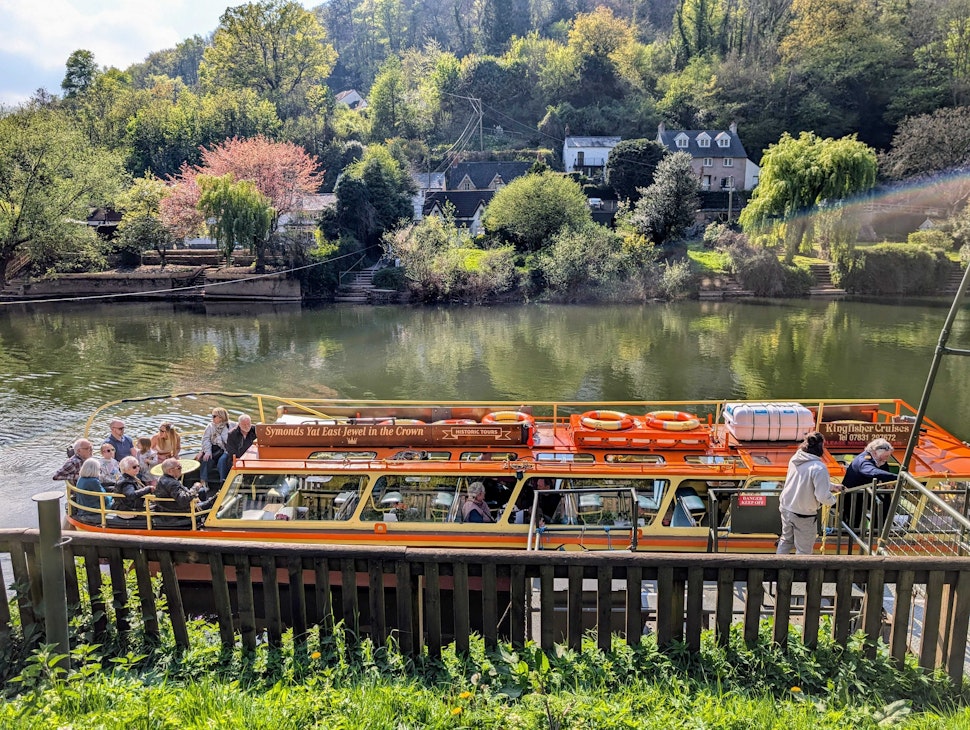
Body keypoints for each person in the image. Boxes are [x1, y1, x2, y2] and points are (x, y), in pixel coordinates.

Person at [777, 431, 840, 555]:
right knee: (804, 550)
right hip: (804, 513)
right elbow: (822, 496)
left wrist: (831, 486)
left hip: (786, 507)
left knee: (786, 540)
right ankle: (800, 574)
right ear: (821, 447)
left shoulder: (795, 458)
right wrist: (833, 500)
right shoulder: (819, 468)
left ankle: (776, 567)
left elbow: (803, 480)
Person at [841, 437, 898, 533]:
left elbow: (883, 472)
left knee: (884, 503)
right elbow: (871, 471)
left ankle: (877, 532)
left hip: (868, 493)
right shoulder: (863, 460)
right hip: (853, 495)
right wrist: (897, 477)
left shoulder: (881, 461)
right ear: (875, 452)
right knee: (853, 519)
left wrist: (888, 483)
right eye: (885, 456)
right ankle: (847, 537)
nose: (886, 459)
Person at [200, 407, 234, 486]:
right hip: (214, 449)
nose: (212, 418)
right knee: (206, 459)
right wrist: (208, 451)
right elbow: (205, 439)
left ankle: (223, 482)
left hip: (226, 450)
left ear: (221, 417)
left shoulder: (231, 425)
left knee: (222, 461)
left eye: (214, 416)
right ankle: (204, 482)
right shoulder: (210, 426)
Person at [218, 413, 256, 481]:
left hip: (253, 458)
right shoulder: (232, 434)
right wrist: (243, 458)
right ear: (239, 424)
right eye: (244, 424)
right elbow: (231, 451)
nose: (247, 426)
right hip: (238, 458)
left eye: (248, 424)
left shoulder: (256, 430)